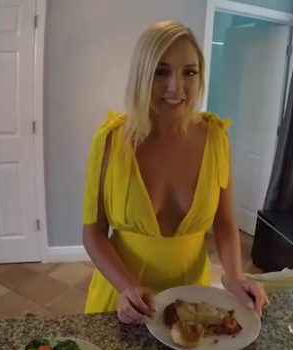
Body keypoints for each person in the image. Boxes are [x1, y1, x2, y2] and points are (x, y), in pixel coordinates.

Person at [81, 21, 269, 324]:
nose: (176, 87)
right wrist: (127, 287)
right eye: (161, 71)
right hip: (123, 298)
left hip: (191, 298)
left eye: (189, 72)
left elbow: (224, 222)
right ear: (142, 74)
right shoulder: (111, 141)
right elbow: (93, 232)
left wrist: (235, 276)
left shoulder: (216, 138)